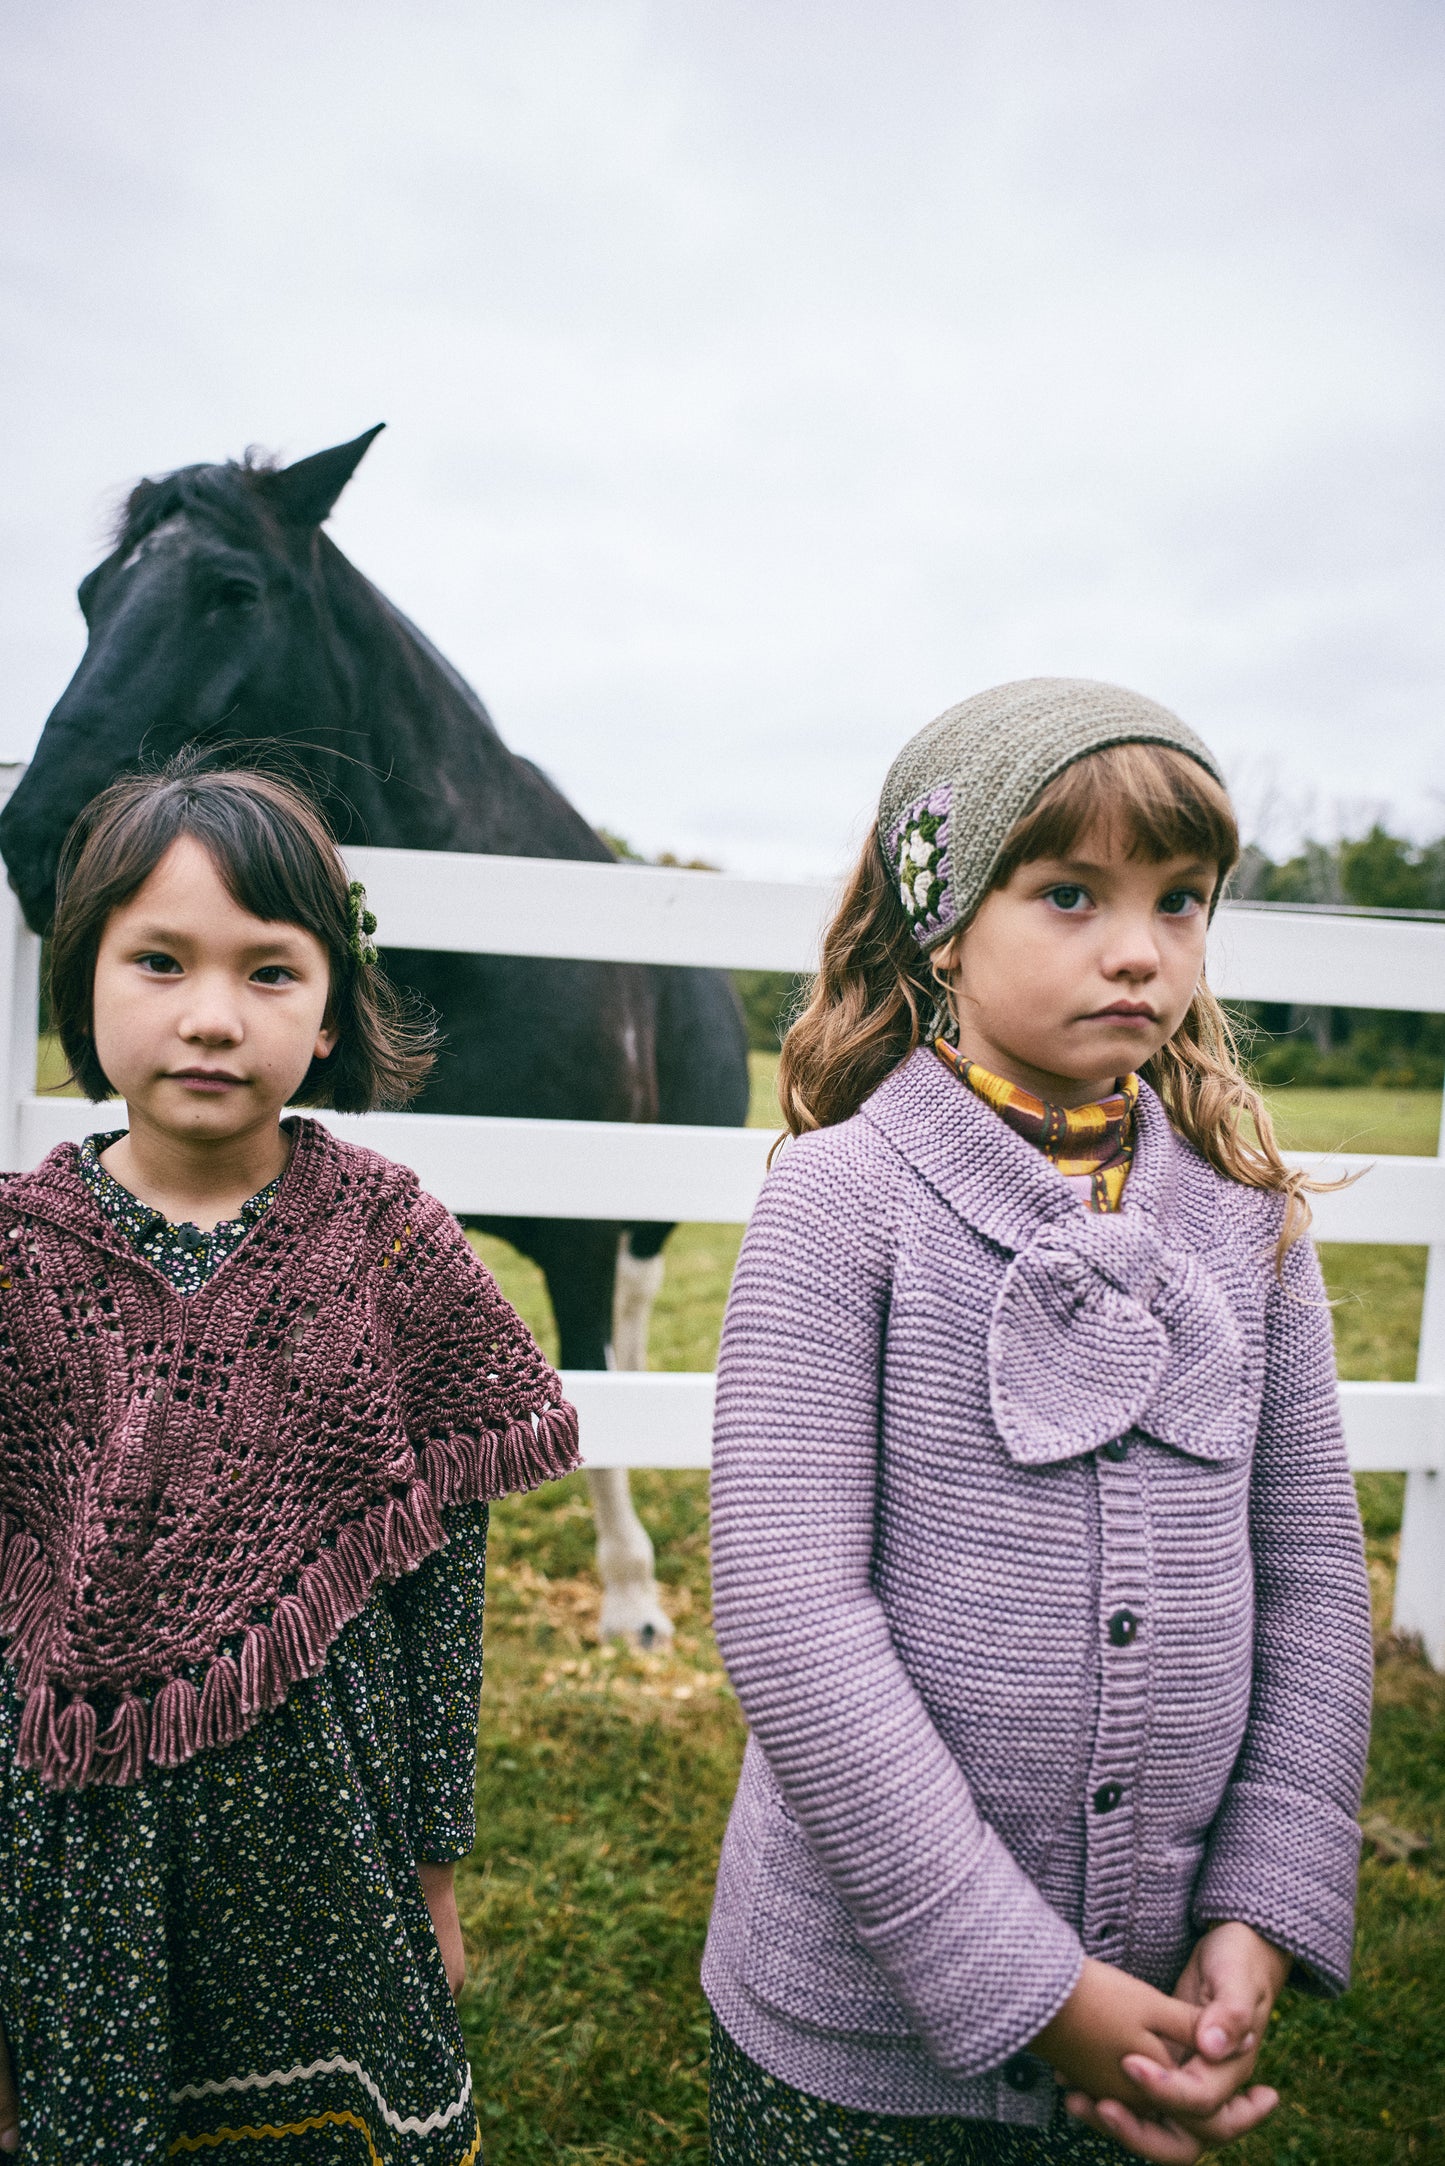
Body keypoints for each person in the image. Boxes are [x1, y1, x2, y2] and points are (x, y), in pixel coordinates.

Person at [702, 680, 1373, 2164]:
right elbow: (787, 1609)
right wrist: (1031, 1986)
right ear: (941, 923)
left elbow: (1316, 1583)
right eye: (1069, 892)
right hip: (852, 2044)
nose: (1139, 948)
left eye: (1180, 901)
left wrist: (1258, 1904)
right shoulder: (842, 1202)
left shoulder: (1251, 1226)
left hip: (1163, 1992)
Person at [0, 760, 580, 2163]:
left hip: (323, 1843)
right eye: (159, 960)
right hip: (80, 1851)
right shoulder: (16, 1257)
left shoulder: (382, 1245)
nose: (210, 1015)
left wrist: (433, 1865)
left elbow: (444, 1591)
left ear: (330, 1011)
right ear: (84, 984)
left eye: (269, 970)